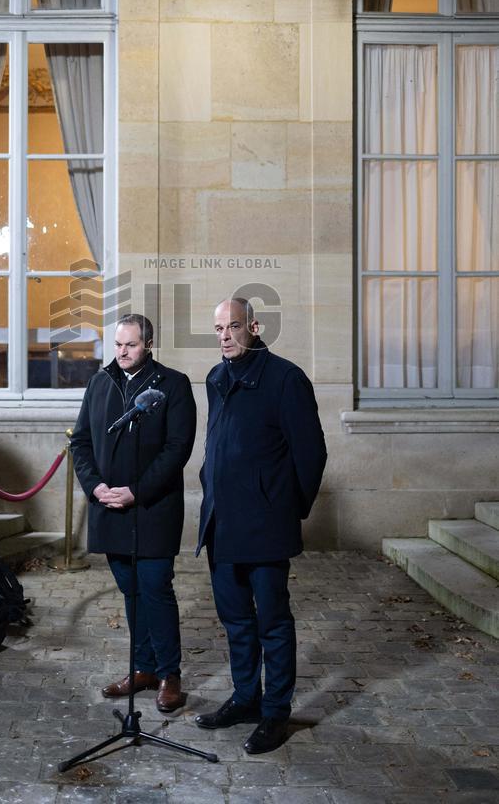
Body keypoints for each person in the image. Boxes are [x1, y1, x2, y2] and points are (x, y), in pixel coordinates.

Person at [195, 298, 327, 755]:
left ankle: (275, 713)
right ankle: (246, 698)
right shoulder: (215, 378)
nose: (225, 336)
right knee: (235, 621)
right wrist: (208, 481)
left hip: (266, 525)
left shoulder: (286, 379)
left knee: (272, 622)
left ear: (253, 326)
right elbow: (218, 441)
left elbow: (311, 455)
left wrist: (286, 509)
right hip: (221, 524)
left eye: (233, 326)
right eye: (218, 329)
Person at [71, 313, 196, 713]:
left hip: (154, 508)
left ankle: (169, 674)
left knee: (156, 588)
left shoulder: (173, 385)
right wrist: (95, 487)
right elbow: (81, 444)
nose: (122, 352)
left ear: (149, 345)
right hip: (109, 507)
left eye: (131, 345)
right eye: (118, 344)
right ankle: (143, 668)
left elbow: (177, 448)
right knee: (130, 590)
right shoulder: (99, 382)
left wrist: (137, 492)